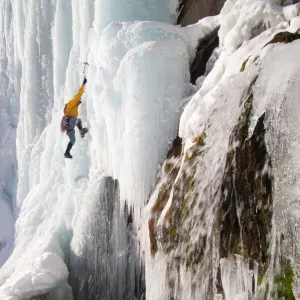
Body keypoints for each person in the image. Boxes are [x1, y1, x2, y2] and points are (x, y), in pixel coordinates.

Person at [63, 77, 88, 159]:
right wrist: (83, 84)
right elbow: (79, 94)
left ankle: (67, 153)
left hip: (69, 123)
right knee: (77, 121)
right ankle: (81, 131)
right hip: (70, 121)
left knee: (73, 140)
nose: (80, 101)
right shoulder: (74, 101)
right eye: (79, 100)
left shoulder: (73, 105)